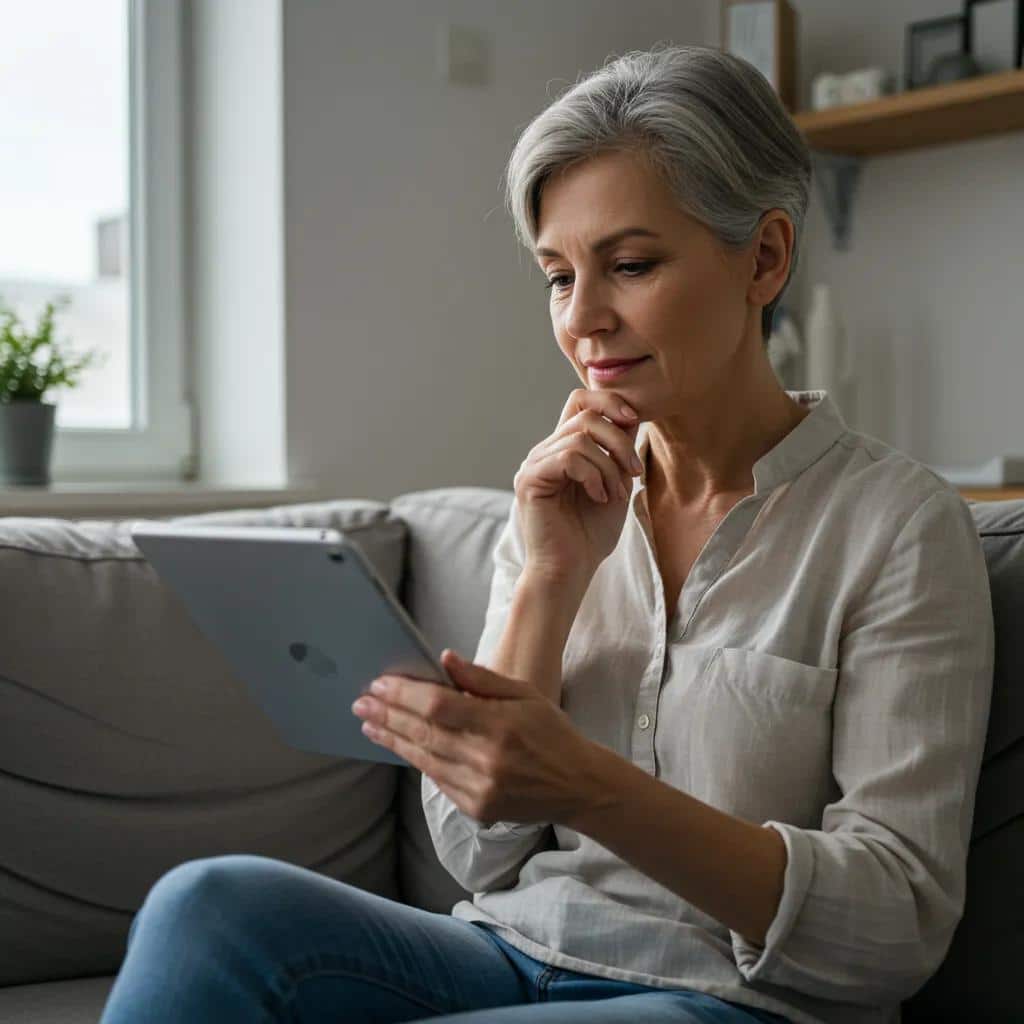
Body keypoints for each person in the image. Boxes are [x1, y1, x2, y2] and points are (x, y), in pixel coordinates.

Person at [98, 43, 994, 1024]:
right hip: (511, 950)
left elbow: (895, 924)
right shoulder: (556, 507)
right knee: (209, 904)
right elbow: (473, 847)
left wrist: (593, 786)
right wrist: (551, 578)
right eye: (558, 277)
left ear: (765, 256)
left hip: (729, 1000)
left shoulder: (898, 526)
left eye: (631, 264)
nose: (585, 319)